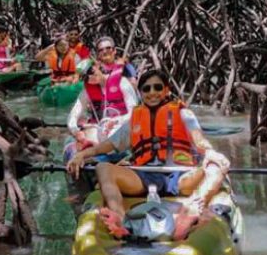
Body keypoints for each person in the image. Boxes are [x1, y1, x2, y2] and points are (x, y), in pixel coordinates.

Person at [66, 68, 230, 240]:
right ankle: (120, 219)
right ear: (141, 93)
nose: (152, 93)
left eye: (158, 87)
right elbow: (104, 147)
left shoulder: (183, 114)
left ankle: (192, 209)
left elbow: (200, 142)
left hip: (180, 177)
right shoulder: (134, 120)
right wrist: (81, 155)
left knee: (216, 165)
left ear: (166, 90)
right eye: (146, 89)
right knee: (103, 168)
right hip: (143, 177)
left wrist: (212, 153)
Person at [64, 58, 138, 161]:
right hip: (100, 131)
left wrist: (116, 120)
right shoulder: (87, 92)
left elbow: (135, 112)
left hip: (121, 129)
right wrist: (76, 131)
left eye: (91, 71)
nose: (91, 77)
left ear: (97, 66)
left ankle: (107, 158)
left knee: (116, 135)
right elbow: (73, 115)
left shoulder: (122, 83)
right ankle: (90, 160)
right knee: (88, 135)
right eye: (86, 77)